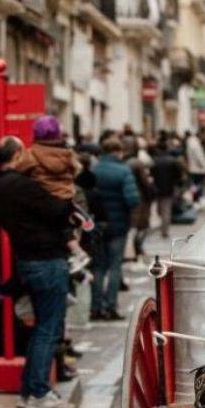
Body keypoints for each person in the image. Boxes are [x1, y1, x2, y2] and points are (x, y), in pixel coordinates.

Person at [0, 135, 78, 408]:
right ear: (17, 155)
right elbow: (59, 210)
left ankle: (29, 390)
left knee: (41, 329)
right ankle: (39, 391)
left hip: (27, 258)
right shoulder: (22, 186)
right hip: (46, 260)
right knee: (48, 329)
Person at [11, 117, 90, 272]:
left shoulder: (31, 154)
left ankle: (75, 255)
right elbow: (76, 169)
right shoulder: (67, 154)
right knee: (65, 230)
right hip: (66, 198)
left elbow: (17, 171)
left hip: (43, 201)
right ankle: (76, 254)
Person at [90, 137, 140, 321]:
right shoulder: (123, 171)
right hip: (118, 225)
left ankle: (95, 307)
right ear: (119, 151)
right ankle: (110, 306)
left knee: (98, 267)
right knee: (114, 266)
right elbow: (132, 199)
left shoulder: (93, 170)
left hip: (97, 225)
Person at [149, 135, 185, 239]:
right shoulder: (173, 161)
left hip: (157, 188)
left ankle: (164, 228)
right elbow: (179, 175)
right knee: (166, 209)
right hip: (169, 188)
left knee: (160, 209)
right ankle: (165, 229)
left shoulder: (154, 161)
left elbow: (151, 174)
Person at [185, 130, 205, 198]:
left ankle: (193, 198)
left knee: (194, 185)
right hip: (199, 169)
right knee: (199, 185)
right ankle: (197, 198)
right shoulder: (195, 144)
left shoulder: (190, 142)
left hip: (193, 168)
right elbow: (199, 156)